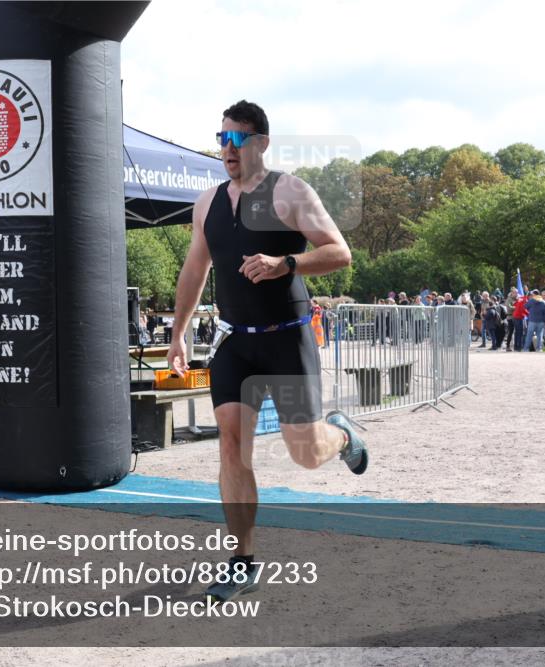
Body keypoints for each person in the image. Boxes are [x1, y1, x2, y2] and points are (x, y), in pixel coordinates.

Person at [165, 100, 367, 604]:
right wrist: (178, 333)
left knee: (306, 454)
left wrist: (286, 263)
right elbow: (195, 271)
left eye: (237, 139)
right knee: (231, 447)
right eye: (222, 138)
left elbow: (339, 251)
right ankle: (242, 562)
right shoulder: (207, 203)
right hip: (236, 342)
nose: (226, 149)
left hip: (287, 337)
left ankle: (339, 435)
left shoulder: (290, 192)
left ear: (261, 143)